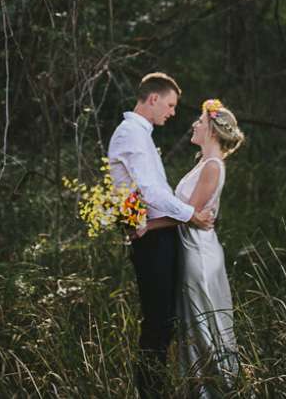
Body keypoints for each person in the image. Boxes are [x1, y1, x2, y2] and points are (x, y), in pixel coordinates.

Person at [107, 73, 215, 399]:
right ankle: (150, 392)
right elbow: (151, 192)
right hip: (151, 242)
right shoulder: (131, 133)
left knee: (165, 321)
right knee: (157, 324)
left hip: (158, 235)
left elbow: (155, 191)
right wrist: (191, 214)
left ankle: (160, 388)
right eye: (170, 105)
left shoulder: (141, 134)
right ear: (153, 98)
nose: (172, 112)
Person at [146, 98, 245, 398]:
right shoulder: (203, 163)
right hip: (191, 249)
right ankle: (199, 389)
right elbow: (188, 213)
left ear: (213, 131)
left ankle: (222, 390)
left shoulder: (213, 167)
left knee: (204, 326)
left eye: (200, 121)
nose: (194, 124)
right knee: (193, 324)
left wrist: (146, 226)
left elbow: (186, 214)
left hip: (199, 256)